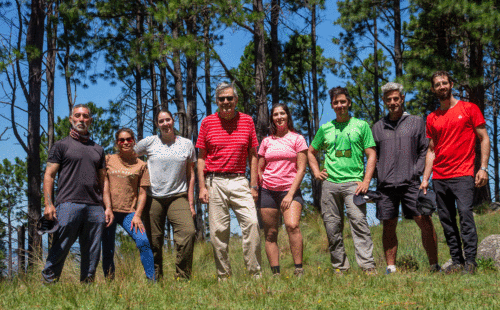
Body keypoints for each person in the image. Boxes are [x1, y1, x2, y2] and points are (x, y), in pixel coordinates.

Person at [421, 71, 490, 275]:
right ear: (433, 89)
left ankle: (471, 262)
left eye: (444, 83)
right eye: (437, 84)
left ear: (451, 84)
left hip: (463, 174)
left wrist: (483, 168)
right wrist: (425, 179)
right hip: (440, 177)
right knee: (446, 220)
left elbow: (484, 138)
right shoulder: (432, 118)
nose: (441, 86)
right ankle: (457, 261)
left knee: (466, 215)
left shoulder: (469, 109)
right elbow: (431, 150)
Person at [308, 86, 377, 275]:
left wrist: (366, 181)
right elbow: (311, 152)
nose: (340, 105)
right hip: (330, 185)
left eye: (343, 102)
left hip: (354, 184)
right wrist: (315, 171)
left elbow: (371, 154)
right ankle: (340, 267)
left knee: (359, 223)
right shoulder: (326, 128)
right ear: (332, 105)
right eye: (336, 102)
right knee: (332, 227)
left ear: (349, 103)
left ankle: (368, 266)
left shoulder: (361, 126)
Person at [196, 82, 262, 280]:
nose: (226, 102)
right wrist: (201, 187)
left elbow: (253, 155)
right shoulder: (207, 122)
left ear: (236, 100)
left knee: (251, 223)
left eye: (229, 98)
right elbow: (201, 157)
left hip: (240, 180)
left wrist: (253, 185)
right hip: (214, 181)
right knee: (218, 231)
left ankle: (255, 274)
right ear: (217, 101)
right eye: (221, 99)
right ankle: (223, 277)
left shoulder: (247, 121)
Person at [372, 82, 439, 274]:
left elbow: (425, 150)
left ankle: (434, 265)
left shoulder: (417, 122)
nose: (392, 102)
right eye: (388, 99)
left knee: (424, 221)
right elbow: (372, 155)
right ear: (384, 101)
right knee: (388, 225)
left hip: (411, 183)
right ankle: (391, 267)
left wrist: (416, 172)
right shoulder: (377, 127)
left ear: (402, 98)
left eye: (396, 98)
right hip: (385, 186)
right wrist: (379, 172)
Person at [42, 104, 113, 283]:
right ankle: (48, 285)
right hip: (68, 204)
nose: (81, 119)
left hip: (95, 208)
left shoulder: (98, 149)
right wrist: (49, 204)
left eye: (85, 116)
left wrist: (108, 208)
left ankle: (87, 289)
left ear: (90, 120)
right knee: (60, 246)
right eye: (78, 116)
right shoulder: (61, 146)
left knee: (92, 252)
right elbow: (49, 175)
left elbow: (104, 181)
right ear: (71, 119)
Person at [135, 109, 196, 280]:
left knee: (188, 233)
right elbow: (130, 155)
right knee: (153, 240)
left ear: (173, 120)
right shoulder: (149, 142)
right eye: (161, 121)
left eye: (167, 120)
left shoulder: (186, 144)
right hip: (153, 197)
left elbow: (191, 175)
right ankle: (155, 279)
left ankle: (182, 277)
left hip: (178, 196)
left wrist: (190, 203)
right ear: (157, 124)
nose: (165, 124)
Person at [258, 103, 308, 277]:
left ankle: (299, 269)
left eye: (282, 113)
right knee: (270, 233)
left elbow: (302, 168)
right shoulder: (266, 141)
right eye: (275, 114)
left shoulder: (297, 139)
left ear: (288, 116)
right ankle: (275, 273)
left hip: (290, 190)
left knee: (292, 226)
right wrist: (262, 181)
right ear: (272, 118)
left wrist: (290, 194)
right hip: (268, 191)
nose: (279, 117)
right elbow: (260, 166)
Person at [101, 128, 155, 281]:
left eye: (129, 139)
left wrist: (137, 215)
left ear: (134, 141)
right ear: (117, 143)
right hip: (109, 211)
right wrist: (107, 208)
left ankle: (152, 281)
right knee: (108, 249)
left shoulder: (141, 165)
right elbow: (102, 183)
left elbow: (143, 192)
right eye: (121, 140)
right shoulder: (108, 159)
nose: (125, 142)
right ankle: (110, 284)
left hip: (130, 213)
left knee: (143, 242)